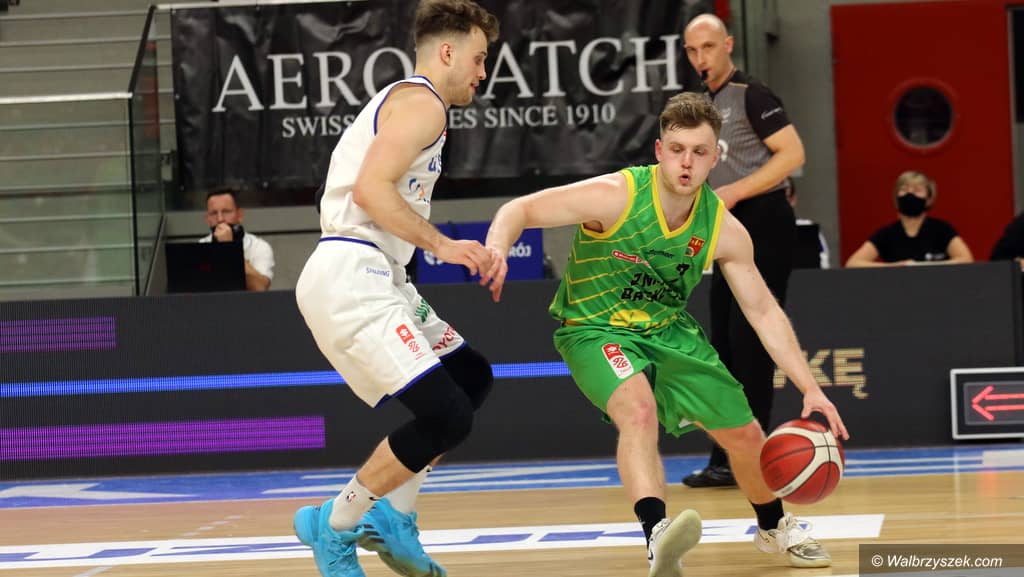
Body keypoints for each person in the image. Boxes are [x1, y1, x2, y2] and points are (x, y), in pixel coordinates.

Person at [482, 92, 850, 575]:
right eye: (677, 149)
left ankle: (773, 527)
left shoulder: (722, 227)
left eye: (699, 152)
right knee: (638, 410)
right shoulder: (616, 195)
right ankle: (658, 534)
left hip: (669, 331)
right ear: (659, 151)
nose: (687, 162)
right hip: (595, 329)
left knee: (745, 434)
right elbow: (521, 209)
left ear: (715, 158)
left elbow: (762, 310)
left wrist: (810, 388)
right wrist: (496, 249)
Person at [290, 2, 499, 577]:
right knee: (447, 415)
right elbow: (370, 192)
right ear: (448, 52)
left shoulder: (417, 104)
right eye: (479, 58)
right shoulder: (422, 103)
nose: (483, 73)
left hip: (382, 272)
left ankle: (394, 516)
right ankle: (335, 523)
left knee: (471, 378)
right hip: (352, 273)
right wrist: (443, 244)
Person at [681, 13, 806, 488]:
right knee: (725, 343)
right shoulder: (703, 104)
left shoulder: (752, 94)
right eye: (693, 50)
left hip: (763, 219)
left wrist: (736, 191)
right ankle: (727, 458)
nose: (701, 58)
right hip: (726, 225)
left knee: (751, 340)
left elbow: (793, 154)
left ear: (728, 45)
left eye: (709, 47)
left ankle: (750, 459)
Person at [845, 170, 974, 267]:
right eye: (904, 189)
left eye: (917, 190)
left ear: (929, 199)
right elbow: (853, 263)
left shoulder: (942, 230)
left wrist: (926, 266)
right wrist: (893, 267)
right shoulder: (887, 234)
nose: (909, 194)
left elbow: (966, 259)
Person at [199, 187, 275, 291]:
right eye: (213, 213)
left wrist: (229, 248)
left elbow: (260, 287)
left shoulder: (259, 247)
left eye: (226, 211)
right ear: (207, 219)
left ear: (240, 215)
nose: (220, 219)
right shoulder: (200, 247)